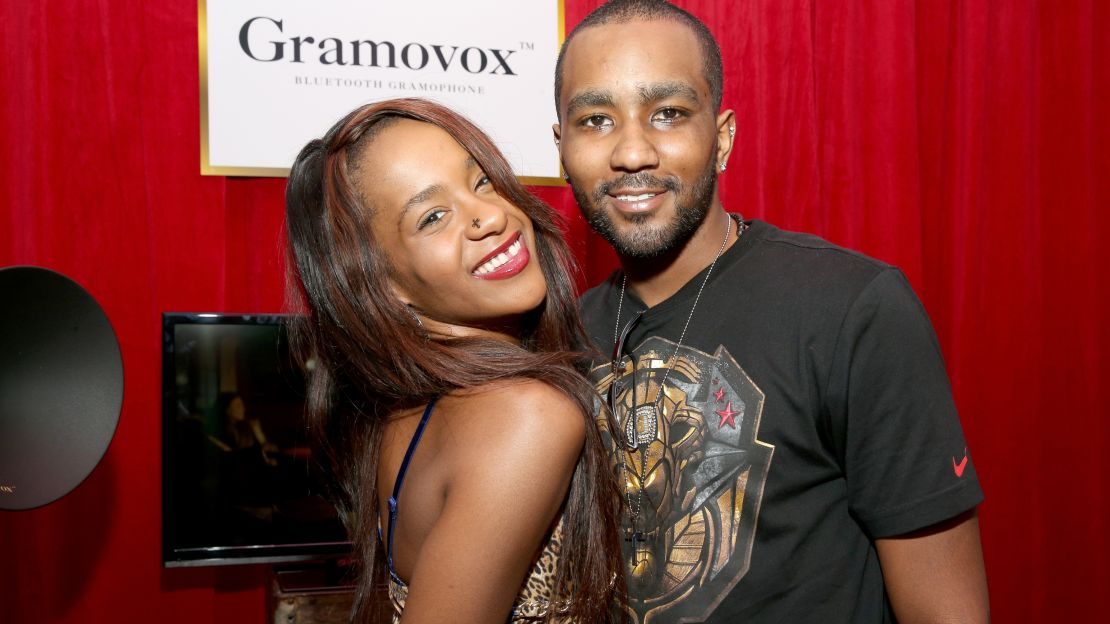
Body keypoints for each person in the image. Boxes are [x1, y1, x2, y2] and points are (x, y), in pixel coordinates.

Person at [552, 1, 989, 622]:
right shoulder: (556, 340)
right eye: (595, 120)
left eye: (669, 113)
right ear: (561, 147)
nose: (631, 151)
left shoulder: (851, 308)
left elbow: (948, 612)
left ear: (723, 138)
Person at [284, 98, 625, 623]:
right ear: (383, 285)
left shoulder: (407, 413)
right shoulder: (524, 415)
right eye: (433, 217)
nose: (489, 216)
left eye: (482, 181)